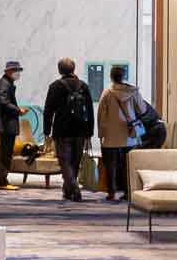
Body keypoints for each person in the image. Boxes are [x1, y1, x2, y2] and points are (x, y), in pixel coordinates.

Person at [41, 57, 95, 202]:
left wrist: (46, 132)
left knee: (64, 161)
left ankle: (74, 188)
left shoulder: (55, 86)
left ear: (60, 70)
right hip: (81, 130)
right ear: (74, 69)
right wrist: (89, 132)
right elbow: (89, 110)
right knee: (75, 162)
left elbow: (48, 110)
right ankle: (68, 190)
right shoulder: (83, 86)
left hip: (62, 130)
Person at [96, 64, 145, 202]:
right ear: (124, 77)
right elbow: (142, 110)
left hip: (111, 136)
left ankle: (111, 193)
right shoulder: (133, 92)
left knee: (110, 166)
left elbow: (101, 115)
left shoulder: (107, 93)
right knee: (128, 165)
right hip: (129, 135)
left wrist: (101, 134)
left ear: (111, 77)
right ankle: (128, 192)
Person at [0, 60, 27, 191]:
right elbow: (4, 102)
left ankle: (2, 180)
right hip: (5, 125)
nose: (18, 74)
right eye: (16, 71)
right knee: (5, 154)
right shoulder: (4, 84)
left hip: (6, 124)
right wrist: (18, 110)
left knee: (5, 153)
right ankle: (1, 182)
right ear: (9, 71)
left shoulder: (7, 83)